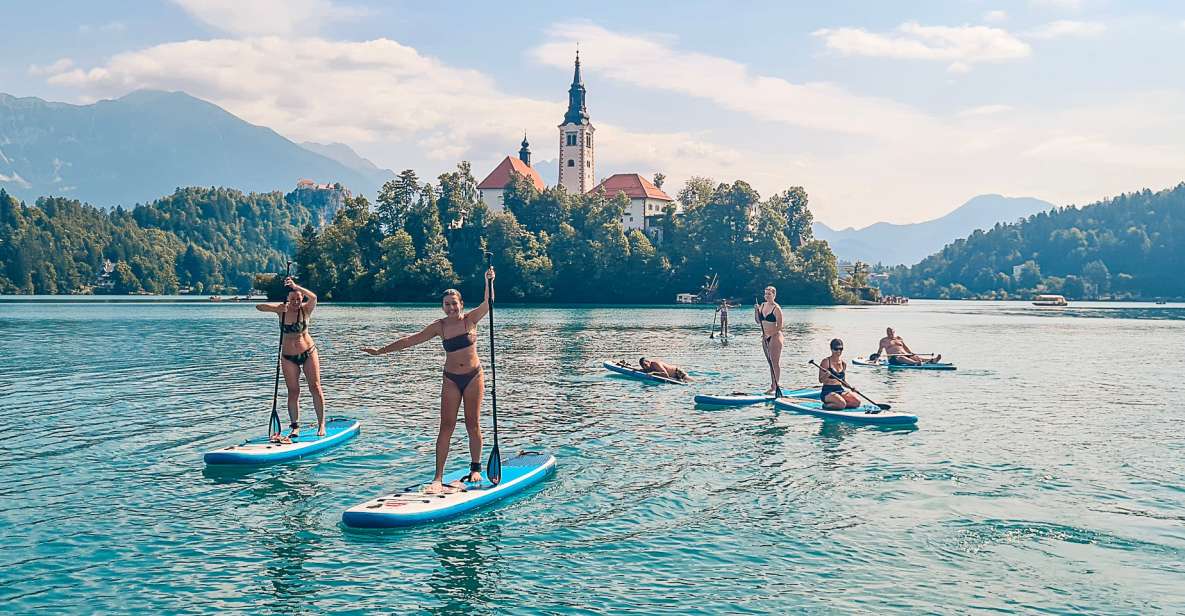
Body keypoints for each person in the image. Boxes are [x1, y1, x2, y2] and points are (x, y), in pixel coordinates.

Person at [361, 267, 495, 494]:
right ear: (442, 307)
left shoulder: (470, 320)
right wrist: (380, 351)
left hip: (474, 377)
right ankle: (438, 477)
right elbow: (409, 341)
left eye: (454, 303)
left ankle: (475, 468)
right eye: (447, 304)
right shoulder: (439, 327)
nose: (451, 307)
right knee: (446, 425)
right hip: (451, 379)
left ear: (461, 304)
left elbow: (488, 303)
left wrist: (489, 280)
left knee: (472, 423)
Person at [255, 277, 325, 440]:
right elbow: (259, 307)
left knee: (315, 387)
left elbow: (314, 297)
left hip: (308, 352)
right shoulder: (282, 310)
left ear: (301, 299)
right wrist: (277, 307)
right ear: (287, 300)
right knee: (293, 392)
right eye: (292, 299)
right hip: (288, 357)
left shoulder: (306, 309)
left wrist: (296, 286)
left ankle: (321, 423)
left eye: (298, 299)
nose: (295, 302)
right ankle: (295, 428)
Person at [754, 286, 784, 394]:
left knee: (775, 362)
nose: (767, 296)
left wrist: (770, 334)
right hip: (764, 337)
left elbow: (780, 326)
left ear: (774, 295)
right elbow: (758, 321)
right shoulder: (762, 305)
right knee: (770, 362)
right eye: (765, 294)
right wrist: (756, 311)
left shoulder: (776, 308)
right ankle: (773, 386)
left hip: (775, 336)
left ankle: (775, 386)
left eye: (769, 294)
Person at [818, 338, 860, 410]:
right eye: (836, 349)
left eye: (840, 349)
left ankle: (839, 404)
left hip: (839, 389)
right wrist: (826, 375)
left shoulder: (843, 364)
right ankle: (826, 405)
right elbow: (821, 380)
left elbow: (842, 381)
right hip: (827, 391)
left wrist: (851, 388)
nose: (838, 351)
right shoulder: (826, 362)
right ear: (831, 349)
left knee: (857, 402)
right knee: (842, 404)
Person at [870, 327, 942, 365]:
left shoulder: (899, 338)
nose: (890, 334)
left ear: (894, 332)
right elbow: (880, 351)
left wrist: (911, 353)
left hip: (905, 354)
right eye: (888, 332)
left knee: (915, 357)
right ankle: (916, 363)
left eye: (891, 332)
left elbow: (905, 347)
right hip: (894, 358)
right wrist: (876, 358)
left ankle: (932, 360)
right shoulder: (883, 340)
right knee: (902, 357)